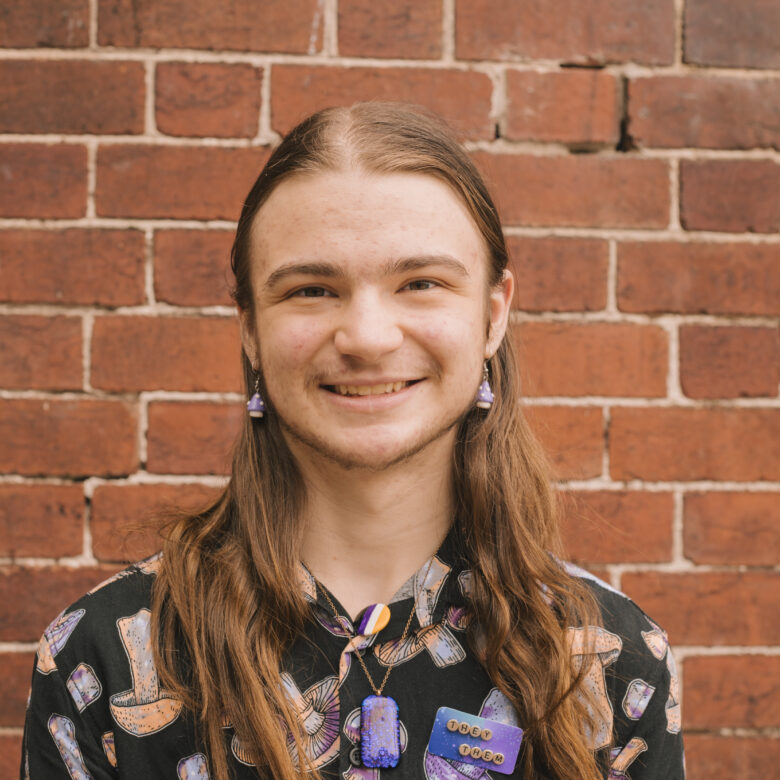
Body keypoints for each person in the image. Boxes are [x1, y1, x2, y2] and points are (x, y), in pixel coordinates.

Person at [21, 103, 684, 780]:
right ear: (250, 329)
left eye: (421, 283)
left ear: (492, 316)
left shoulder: (610, 660)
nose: (367, 337)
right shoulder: (102, 658)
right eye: (312, 289)